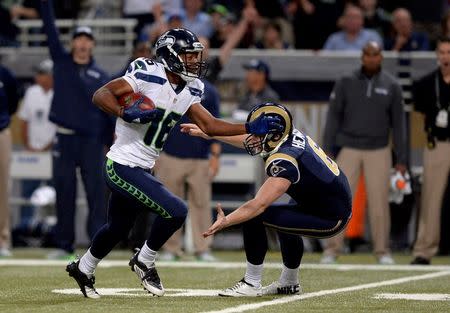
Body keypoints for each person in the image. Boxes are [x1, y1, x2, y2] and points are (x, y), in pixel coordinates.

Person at [65, 28, 283, 299]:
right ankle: (144, 260)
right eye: (188, 55)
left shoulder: (191, 87)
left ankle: (83, 268)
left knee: (118, 227)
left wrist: (250, 127)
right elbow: (100, 95)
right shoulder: (147, 73)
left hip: (144, 165)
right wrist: (123, 111)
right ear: (170, 56)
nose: (194, 61)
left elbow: (210, 125)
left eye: (195, 56)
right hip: (121, 164)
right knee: (177, 210)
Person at [182, 102, 352, 296]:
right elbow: (251, 140)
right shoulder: (285, 136)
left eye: (258, 133)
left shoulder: (285, 159)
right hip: (324, 200)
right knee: (285, 218)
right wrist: (210, 133)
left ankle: (252, 283)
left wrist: (226, 221)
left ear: (274, 136)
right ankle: (289, 283)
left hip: (330, 216)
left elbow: (257, 205)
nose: (253, 138)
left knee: (255, 216)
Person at [321, 41, 407, 265]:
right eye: (368, 54)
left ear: (381, 57)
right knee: (339, 198)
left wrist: (402, 159)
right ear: (362, 56)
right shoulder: (345, 81)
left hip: (379, 149)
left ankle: (382, 251)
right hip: (348, 147)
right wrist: (326, 150)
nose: (371, 58)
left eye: (375, 54)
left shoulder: (392, 85)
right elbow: (333, 118)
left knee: (379, 203)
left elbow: (399, 125)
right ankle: (332, 249)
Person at [40, 0, 113, 259]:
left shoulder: (101, 75)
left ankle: (95, 247)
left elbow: (108, 113)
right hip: (64, 138)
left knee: (96, 194)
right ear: (73, 43)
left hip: (92, 142)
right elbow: (49, 30)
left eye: (87, 39)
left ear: (92, 44)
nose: (82, 43)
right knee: (64, 191)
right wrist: (46, 5)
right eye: (78, 38)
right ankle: (63, 245)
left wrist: (108, 142)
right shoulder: (60, 63)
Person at [155, 76, 221, 262]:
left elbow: (216, 124)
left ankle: (203, 248)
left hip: (200, 157)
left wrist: (215, 156)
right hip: (170, 154)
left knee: (201, 204)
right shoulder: (167, 85)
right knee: (168, 204)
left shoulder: (209, 89)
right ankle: (170, 247)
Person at [411, 37, 450, 265]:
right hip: (438, 144)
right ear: (437, 55)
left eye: (449, 52)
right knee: (430, 198)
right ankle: (424, 250)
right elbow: (421, 118)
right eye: (442, 52)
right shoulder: (426, 84)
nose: (446, 57)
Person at [17, 59, 55, 228]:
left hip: (53, 152)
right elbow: (23, 121)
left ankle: (50, 229)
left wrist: (48, 146)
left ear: (50, 76)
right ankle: (26, 228)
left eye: (41, 73)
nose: (37, 76)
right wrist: (28, 145)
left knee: (52, 193)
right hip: (32, 153)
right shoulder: (31, 92)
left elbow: (60, 125)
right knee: (27, 193)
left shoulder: (60, 93)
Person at [0, 63, 19, 257]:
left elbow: (13, 103)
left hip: (1, 133)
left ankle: (2, 240)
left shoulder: (5, 74)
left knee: (2, 188)